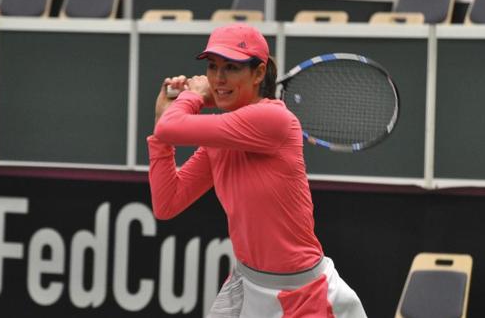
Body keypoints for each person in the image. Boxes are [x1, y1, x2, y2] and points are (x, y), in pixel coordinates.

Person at [147, 23, 367, 318]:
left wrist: (193, 97)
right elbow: (167, 203)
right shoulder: (222, 139)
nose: (218, 77)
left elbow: (174, 126)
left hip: (303, 298)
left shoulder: (273, 118)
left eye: (231, 68)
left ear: (259, 73)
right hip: (247, 287)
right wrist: (160, 133)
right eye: (213, 68)